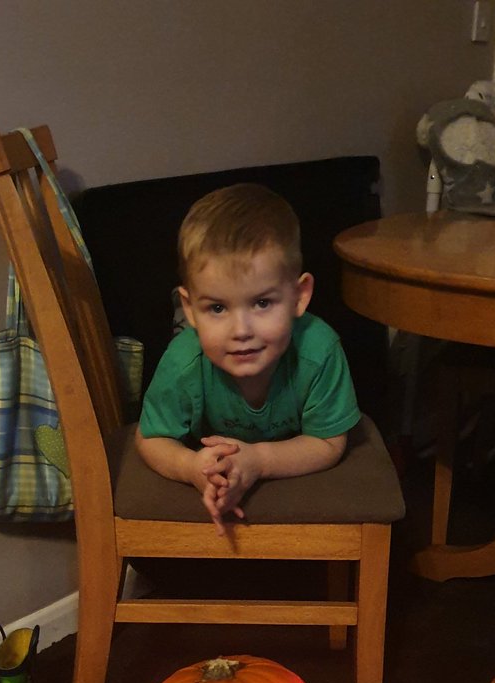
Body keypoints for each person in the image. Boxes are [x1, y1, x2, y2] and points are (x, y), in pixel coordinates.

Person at [135, 182, 361, 535]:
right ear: (189, 309)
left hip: (287, 464)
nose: (241, 330)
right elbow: (150, 437)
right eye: (217, 307)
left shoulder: (320, 351)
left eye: (262, 303)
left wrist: (258, 460)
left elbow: (329, 442)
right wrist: (191, 466)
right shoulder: (183, 362)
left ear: (299, 296)